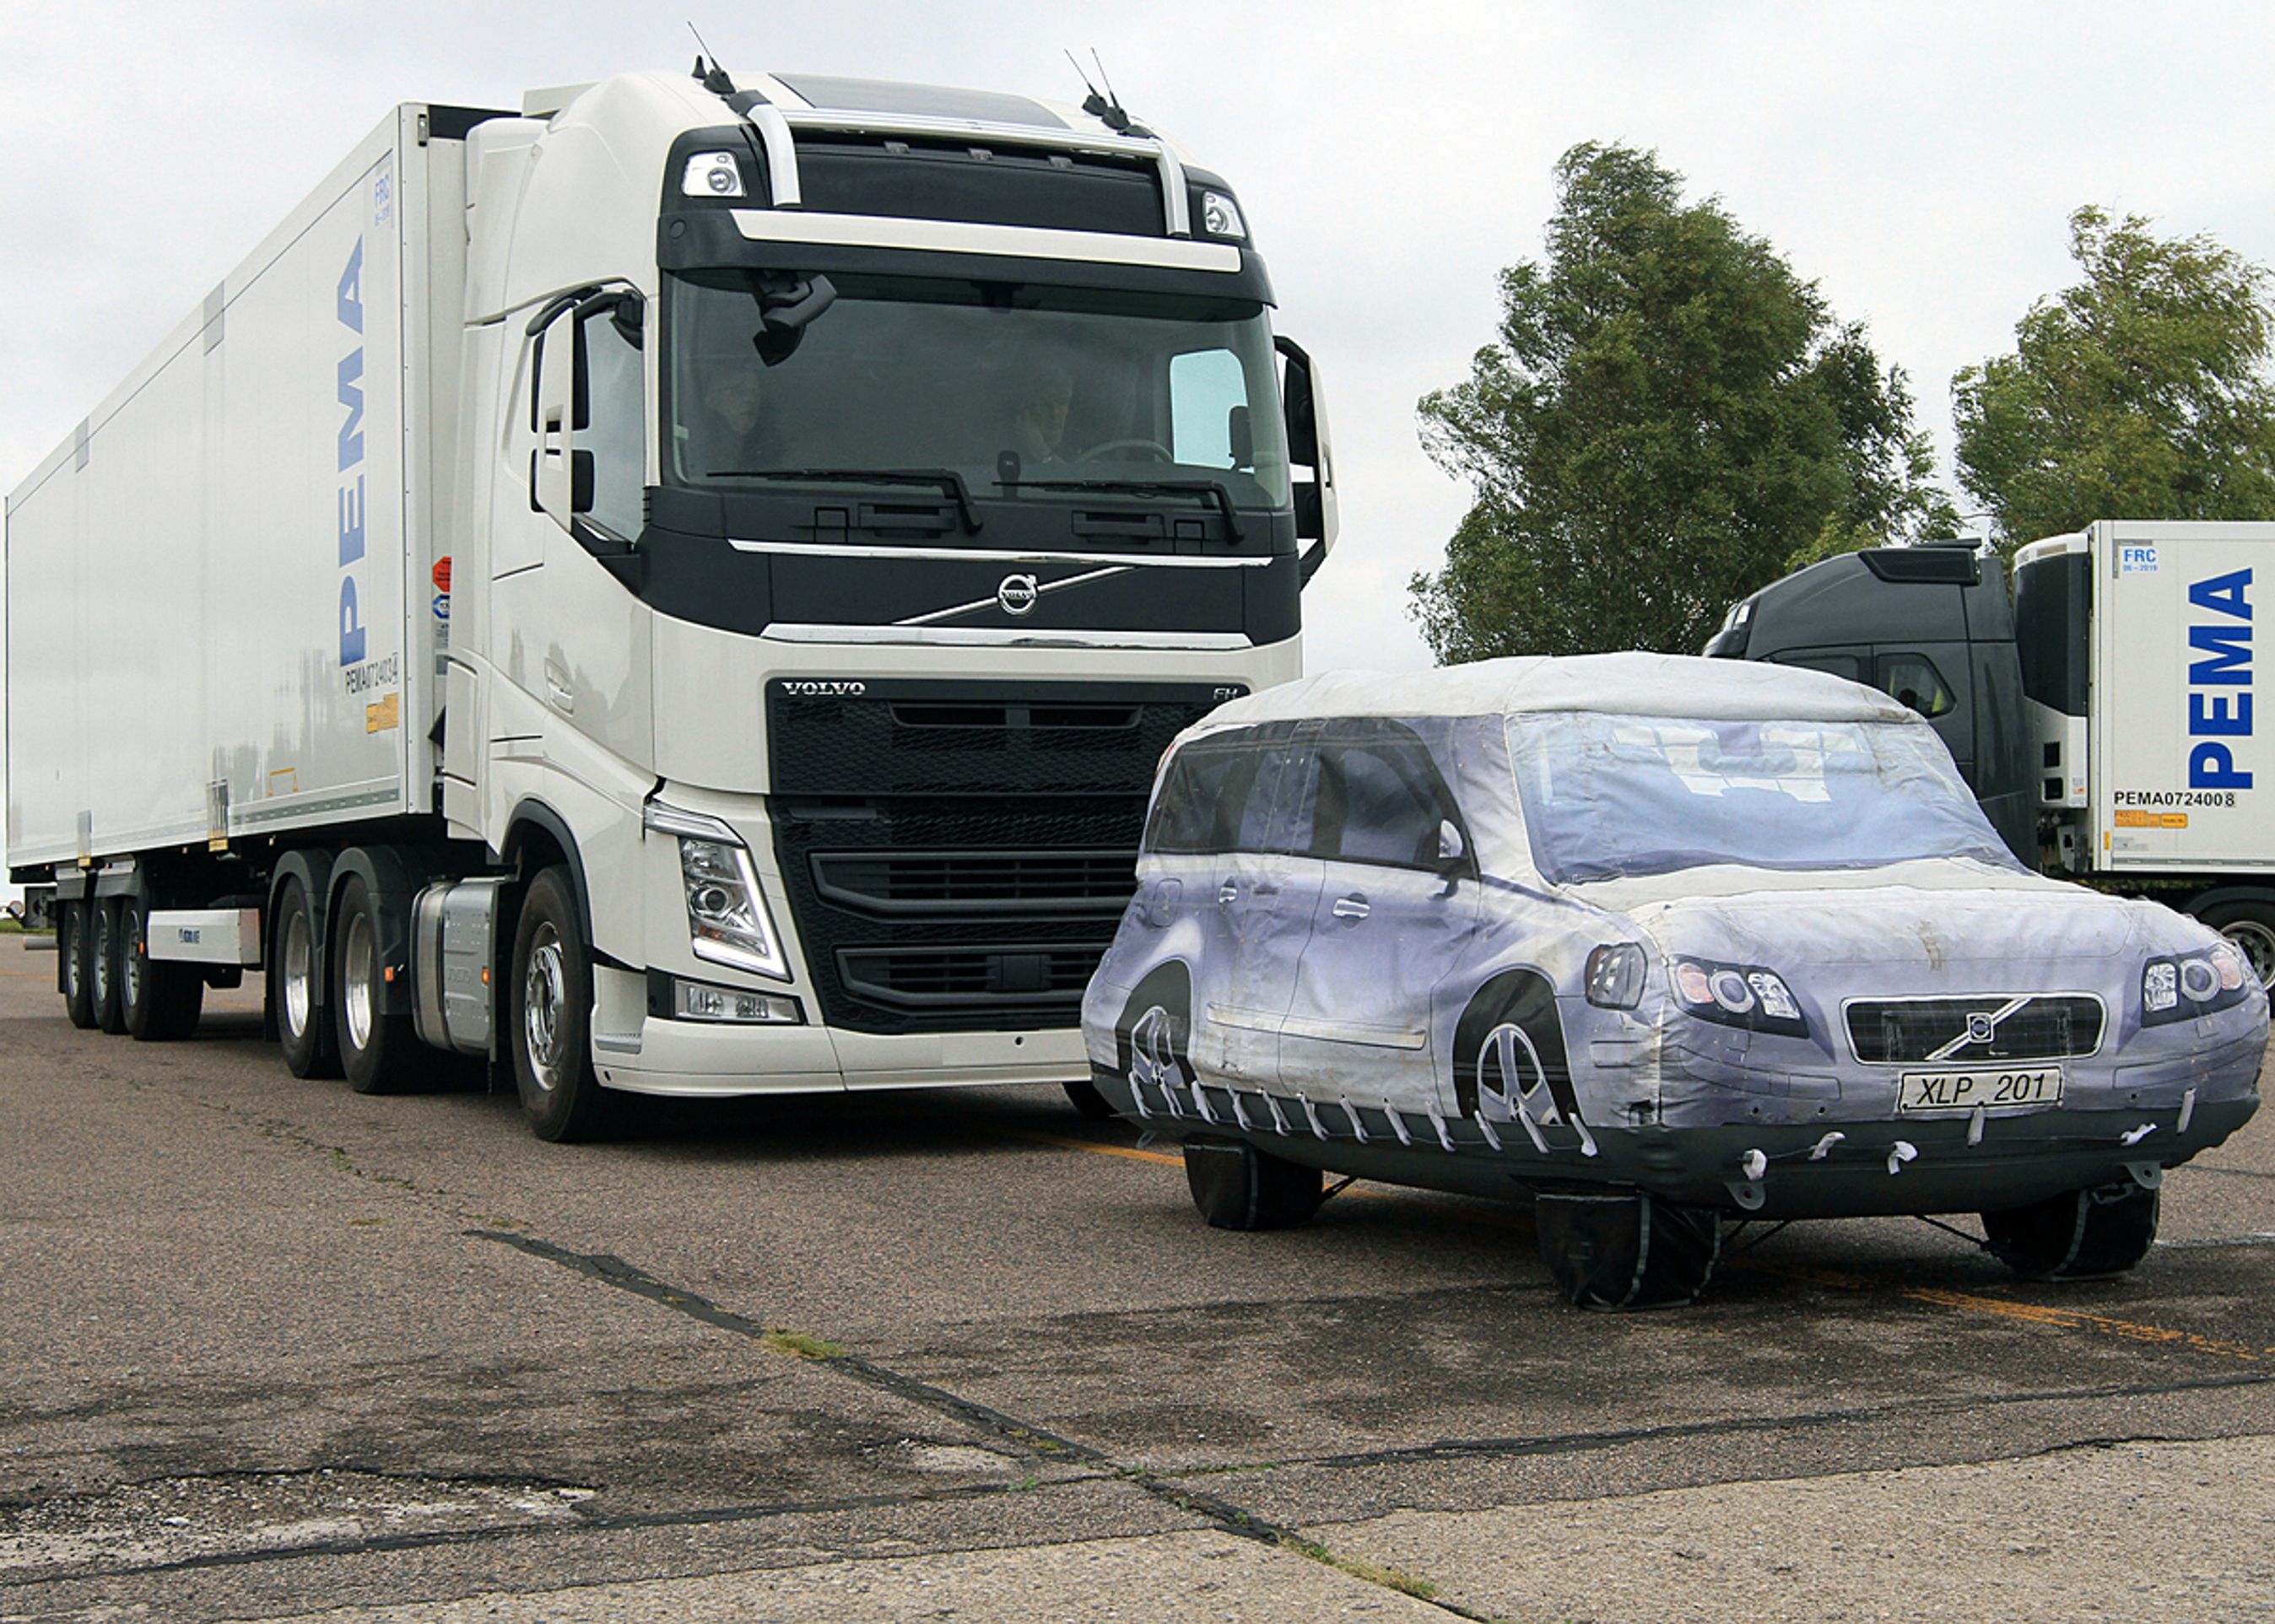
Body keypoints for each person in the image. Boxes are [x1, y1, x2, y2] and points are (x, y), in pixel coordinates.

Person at [686, 367, 767, 477]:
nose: (750, 399)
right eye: (738, 391)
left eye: (756, 394)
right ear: (709, 397)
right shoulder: (690, 446)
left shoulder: (774, 448)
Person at [1009, 367, 1073, 467]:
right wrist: (1042, 453)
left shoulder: (1090, 449)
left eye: (1062, 403)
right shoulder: (1007, 458)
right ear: (1026, 412)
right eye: (1044, 405)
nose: (1055, 413)